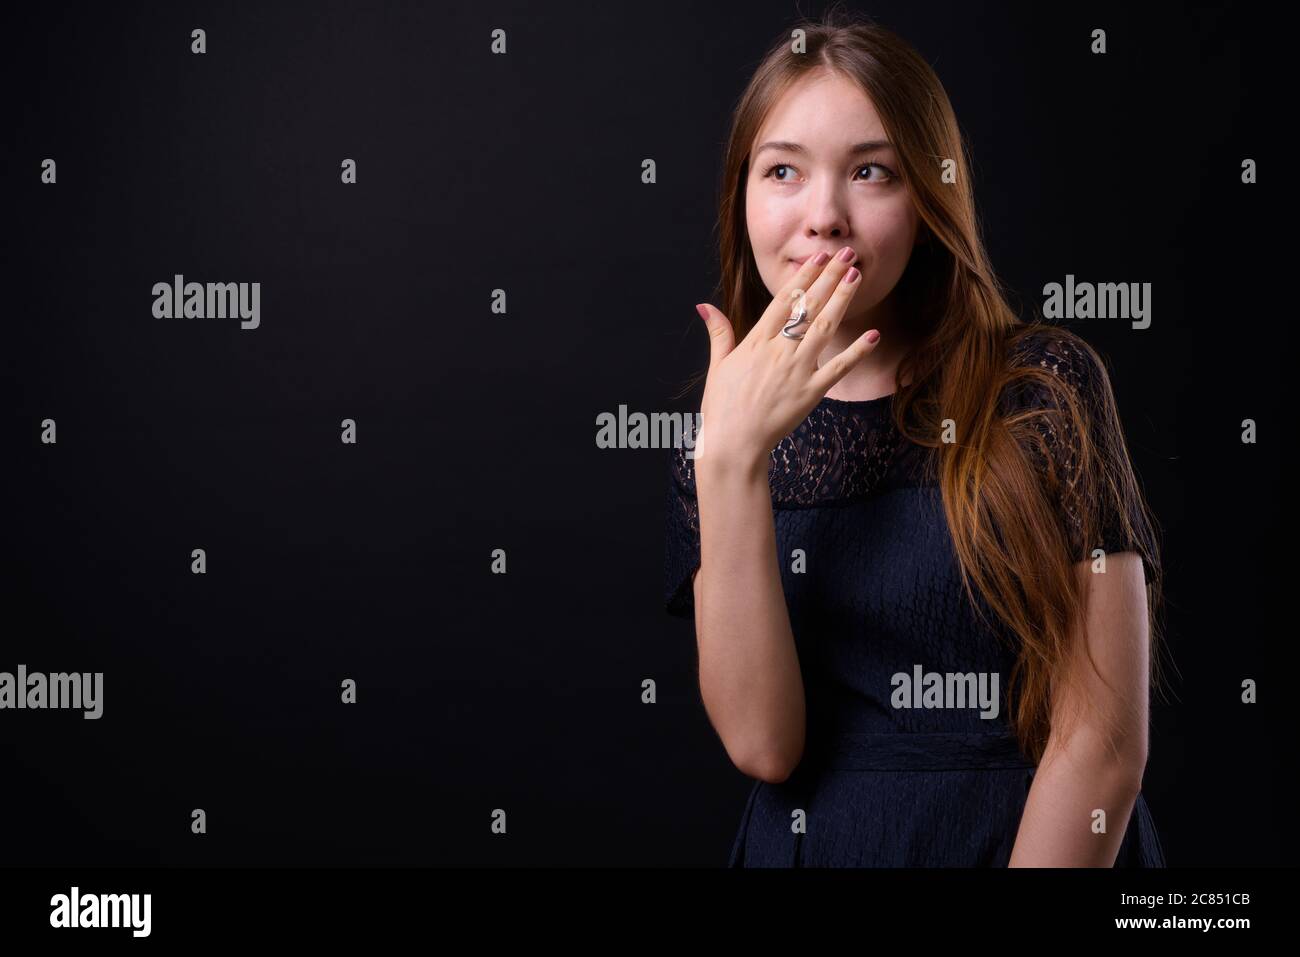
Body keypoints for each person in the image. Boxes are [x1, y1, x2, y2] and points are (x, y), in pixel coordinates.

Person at [663, 11, 1167, 867]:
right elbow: (764, 745)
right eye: (782, 170)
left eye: (871, 172)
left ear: (929, 197)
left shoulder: (1044, 387)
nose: (824, 216)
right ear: (741, 193)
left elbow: (1104, 746)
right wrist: (733, 460)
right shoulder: (716, 442)